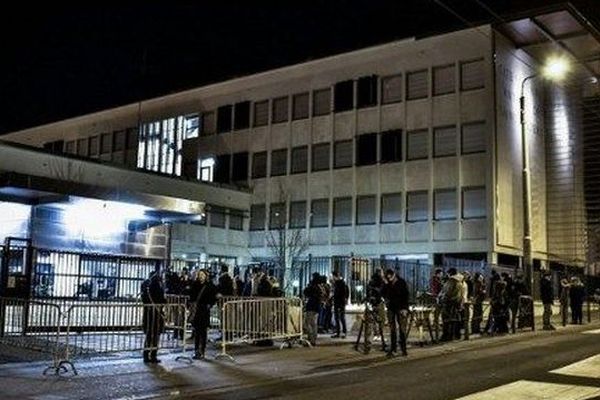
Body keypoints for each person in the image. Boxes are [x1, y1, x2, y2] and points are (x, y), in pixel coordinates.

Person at [190, 269, 217, 359]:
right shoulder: (195, 284)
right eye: (200, 274)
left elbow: (213, 297)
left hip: (205, 310)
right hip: (197, 309)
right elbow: (191, 296)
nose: (201, 276)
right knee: (197, 331)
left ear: (206, 276)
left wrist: (210, 304)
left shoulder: (210, 286)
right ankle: (196, 350)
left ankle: (202, 350)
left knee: (203, 331)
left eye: (203, 274)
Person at [382, 269, 409, 357]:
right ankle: (393, 349)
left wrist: (405, 308)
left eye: (391, 277)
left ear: (394, 275)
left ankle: (403, 349)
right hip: (391, 308)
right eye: (388, 278)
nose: (390, 279)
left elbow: (406, 295)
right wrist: (386, 284)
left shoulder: (401, 282)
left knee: (402, 329)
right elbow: (384, 293)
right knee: (392, 329)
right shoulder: (388, 283)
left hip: (401, 308)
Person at [141, 270, 166, 363]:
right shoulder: (157, 285)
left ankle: (146, 354)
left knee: (149, 334)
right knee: (155, 334)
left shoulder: (145, 285)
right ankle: (153, 355)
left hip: (148, 313)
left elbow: (143, 299)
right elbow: (161, 299)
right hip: (156, 313)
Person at [363, 270, 385, 354]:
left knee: (370, 323)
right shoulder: (380, 282)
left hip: (371, 304)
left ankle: (369, 341)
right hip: (378, 303)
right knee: (380, 319)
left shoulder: (370, 282)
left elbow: (368, 292)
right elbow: (382, 292)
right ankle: (378, 335)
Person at [439, 268, 464, 341]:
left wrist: (441, 299)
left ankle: (446, 336)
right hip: (457, 303)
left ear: (450, 273)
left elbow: (447, 293)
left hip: (449, 304)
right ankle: (454, 335)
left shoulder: (451, 281)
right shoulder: (460, 282)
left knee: (446, 320)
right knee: (455, 320)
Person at [303, 273, 322, 346]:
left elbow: (306, 292)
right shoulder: (319, 287)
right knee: (314, 324)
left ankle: (311, 339)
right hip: (316, 307)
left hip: (311, 306)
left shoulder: (313, 286)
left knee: (308, 323)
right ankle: (313, 339)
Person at [331, 271, 349, 339]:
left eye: (333, 276)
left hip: (340, 303)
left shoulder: (342, 283)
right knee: (337, 318)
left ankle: (344, 332)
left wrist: (343, 301)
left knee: (341, 318)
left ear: (336, 276)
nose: (332, 278)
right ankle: (338, 332)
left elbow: (344, 294)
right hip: (337, 303)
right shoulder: (336, 283)